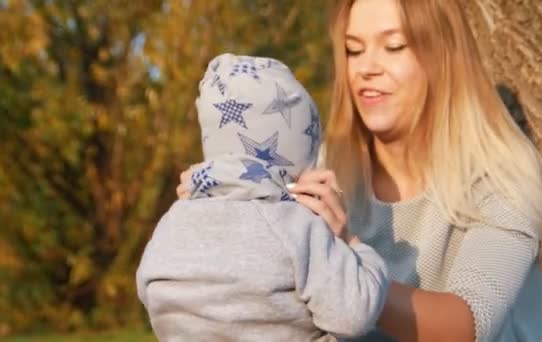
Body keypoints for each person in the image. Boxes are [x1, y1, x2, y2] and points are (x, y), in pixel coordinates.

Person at [176, 1, 542, 341]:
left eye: (394, 47)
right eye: (353, 50)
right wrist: (218, 212)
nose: (367, 68)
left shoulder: (503, 173)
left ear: (444, 56)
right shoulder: (326, 164)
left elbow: (468, 329)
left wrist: (344, 257)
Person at [137, 53, 389, 341]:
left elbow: (149, 289)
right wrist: (352, 245)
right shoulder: (296, 225)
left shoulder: (172, 221)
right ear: (299, 162)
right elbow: (354, 314)